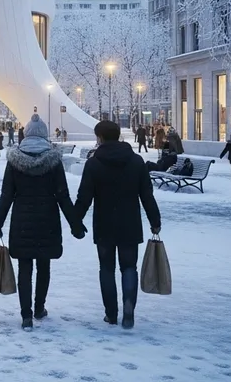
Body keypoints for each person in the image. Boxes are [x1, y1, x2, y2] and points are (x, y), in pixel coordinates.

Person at [0, 114, 85, 329]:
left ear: (26, 134)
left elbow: (6, 195)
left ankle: (26, 314)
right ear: (44, 135)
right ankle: (39, 307)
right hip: (47, 219)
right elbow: (63, 195)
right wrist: (75, 224)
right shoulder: (53, 161)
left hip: (22, 220)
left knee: (24, 267)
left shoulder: (15, 161)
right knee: (44, 265)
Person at [74, 120, 161, 330]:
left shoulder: (94, 163)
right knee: (129, 267)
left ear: (100, 137)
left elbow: (84, 196)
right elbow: (147, 195)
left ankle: (111, 314)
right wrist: (155, 221)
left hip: (104, 223)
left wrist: (76, 220)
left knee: (106, 268)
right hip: (130, 223)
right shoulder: (136, 161)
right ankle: (129, 308)